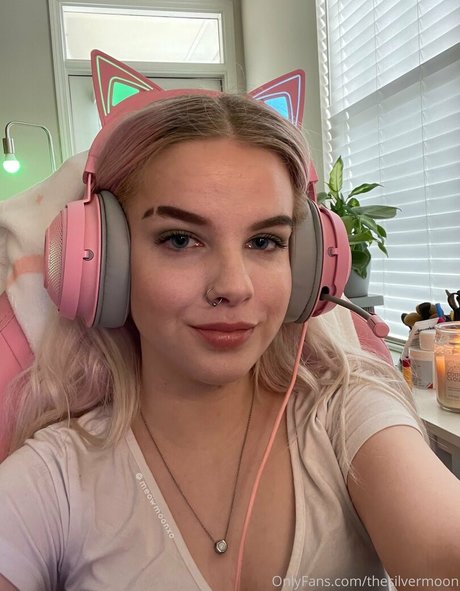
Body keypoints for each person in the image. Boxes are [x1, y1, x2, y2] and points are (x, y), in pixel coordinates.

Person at [0, 92, 459, 591]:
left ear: (306, 266)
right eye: (180, 239)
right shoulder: (54, 479)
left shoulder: (346, 415)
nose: (234, 287)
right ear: (105, 261)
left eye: (265, 242)